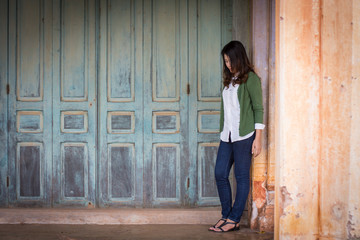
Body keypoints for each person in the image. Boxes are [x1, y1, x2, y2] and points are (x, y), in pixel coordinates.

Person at [209, 41, 265, 232]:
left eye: (230, 60)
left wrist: (258, 139)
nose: (228, 65)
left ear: (238, 58)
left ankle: (234, 219)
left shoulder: (251, 79)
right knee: (220, 173)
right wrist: (223, 131)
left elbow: (258, 109)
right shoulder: (229, 81)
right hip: (228, 135)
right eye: (225, 61)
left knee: (241, 177)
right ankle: (226, 215)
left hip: (244, 136)